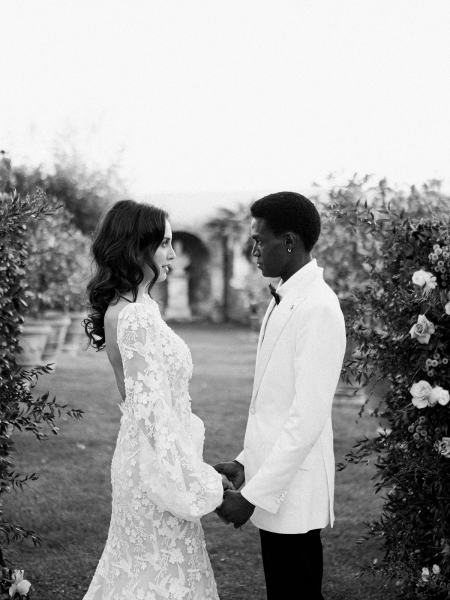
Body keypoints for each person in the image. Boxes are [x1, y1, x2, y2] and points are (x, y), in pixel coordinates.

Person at [82, 199, 226, 600]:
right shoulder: (137, 315)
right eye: (164, 243)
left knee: (141, 571)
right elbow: (152, 413)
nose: (173, 253)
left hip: (141, 457)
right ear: (136, 247)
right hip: (153, 465)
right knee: (161, 576)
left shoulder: (131, 307)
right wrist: (197, 480)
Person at [215, 192, 346, 600]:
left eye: (259, 239)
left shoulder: (318, 308)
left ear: (288, 242)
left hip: (295, 490)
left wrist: (251, 497)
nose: (252, 249)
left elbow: (306, 419)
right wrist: (244, 462)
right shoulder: (285, 297)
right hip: (275, 483)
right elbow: (274, 402)